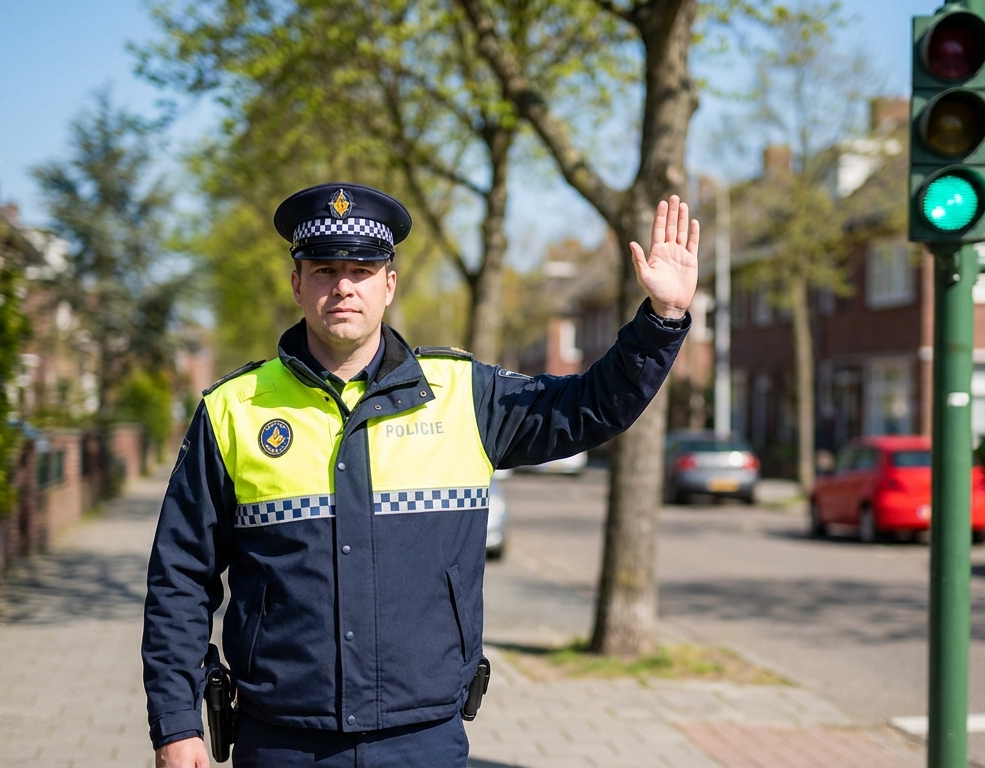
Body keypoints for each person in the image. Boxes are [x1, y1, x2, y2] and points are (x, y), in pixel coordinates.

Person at [143, 182, 699, 768]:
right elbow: (180, 576)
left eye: (361, 269)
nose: (343, 287)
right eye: (325, 269)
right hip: (281, 740)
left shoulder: (463, 394)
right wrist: (176, 726)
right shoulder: (234, 409)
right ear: (297, 284)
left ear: (389, 283)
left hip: (422, 741)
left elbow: (590, 406)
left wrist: (662, 318)